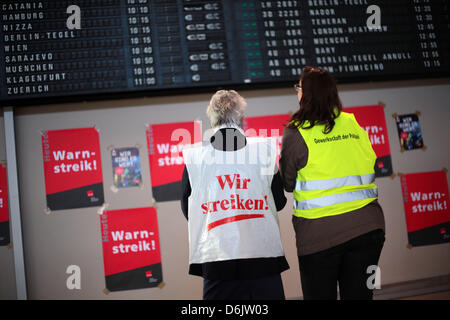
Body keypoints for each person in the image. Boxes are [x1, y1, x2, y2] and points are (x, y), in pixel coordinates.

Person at [280, 66, 386, 300]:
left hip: (320, 239)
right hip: (369, 231)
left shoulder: (296, 133)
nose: (297, 91)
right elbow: (370, 164)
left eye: (299, 87)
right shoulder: (352, 123)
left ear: (305, 94)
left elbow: (287, 184)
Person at [181, 90, 289, 300]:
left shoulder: (195, 156)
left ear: (211, 118)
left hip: (218, 260)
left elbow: (188, 210)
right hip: (262, 258)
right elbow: (279, 202)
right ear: (241, 118)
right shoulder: (263, 151)